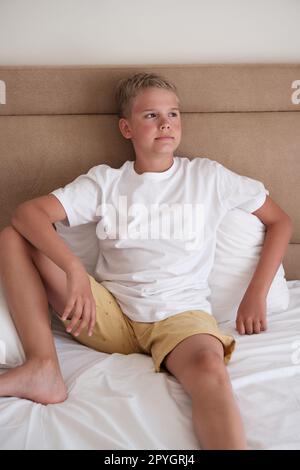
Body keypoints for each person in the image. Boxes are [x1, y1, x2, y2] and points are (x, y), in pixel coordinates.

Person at [0, 73, 293, 450]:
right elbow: (27, 215)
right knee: (13, 237)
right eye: (151, 115)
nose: (166, 123)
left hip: (181, 318)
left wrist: (257, 292)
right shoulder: (106, 182)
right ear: (126, 127)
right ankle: (43, 367)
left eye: (173, 113)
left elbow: (280, 221)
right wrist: (73, 268)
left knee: (209, 368)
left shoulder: (207, 177)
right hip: (111, 316)